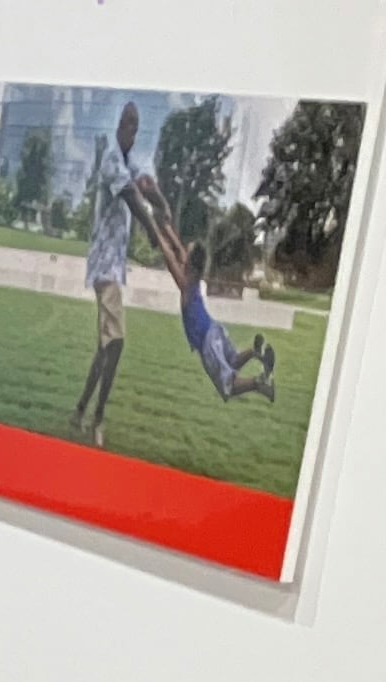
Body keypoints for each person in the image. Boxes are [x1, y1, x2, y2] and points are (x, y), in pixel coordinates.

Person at [133, 175, 279, 402]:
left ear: (190, 266)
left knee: (228, 385)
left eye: (187, 255)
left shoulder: (185, 286)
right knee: (231, 362)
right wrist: (166, 225)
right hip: (215, 329)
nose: (185, 252)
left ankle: (258, 383)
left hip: (207, 341)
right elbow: (178, 249)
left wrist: (151, 222)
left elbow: (170, 254)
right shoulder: (194, 280)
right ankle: (255, 352)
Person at [68, 100, 144, 445]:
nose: (132, 131)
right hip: (104, 266)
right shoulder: (112, 160)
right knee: (118, 342)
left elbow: (145, 188)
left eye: (136, 127)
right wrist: (157, 235)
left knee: (106, 348)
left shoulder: (129, 163)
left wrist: (165, 209)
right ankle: (97, 419)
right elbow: (133, 200)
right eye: (128, 124)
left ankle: (81, 412)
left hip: (112, 268)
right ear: (118, 127)